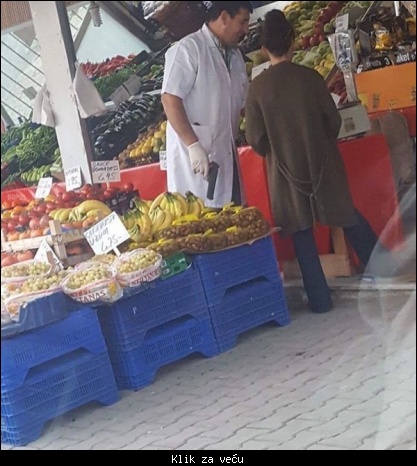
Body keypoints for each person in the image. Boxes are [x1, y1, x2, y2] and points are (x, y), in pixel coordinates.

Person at [245, 10, 382, 314]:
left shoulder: (257, 89)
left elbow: (255, 138)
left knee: (300, 231)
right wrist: (319, 142)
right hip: (322, 162)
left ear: (264, 49)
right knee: (345, 213)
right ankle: (385, 272)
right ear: (293, 41)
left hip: (284, 170)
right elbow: (333, 121)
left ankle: (320, 301)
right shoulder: (311, 78)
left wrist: (278, 150)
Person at [161, 1, 253, 208]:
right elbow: (170, 99)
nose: (246, 30)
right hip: (196, 165)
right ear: (224, 17)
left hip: (227, 158)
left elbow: (243, 102)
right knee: (202, 219)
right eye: (243, 22)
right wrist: (193, 145)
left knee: (234, 217)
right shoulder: (188, 50)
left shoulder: (235, 56)